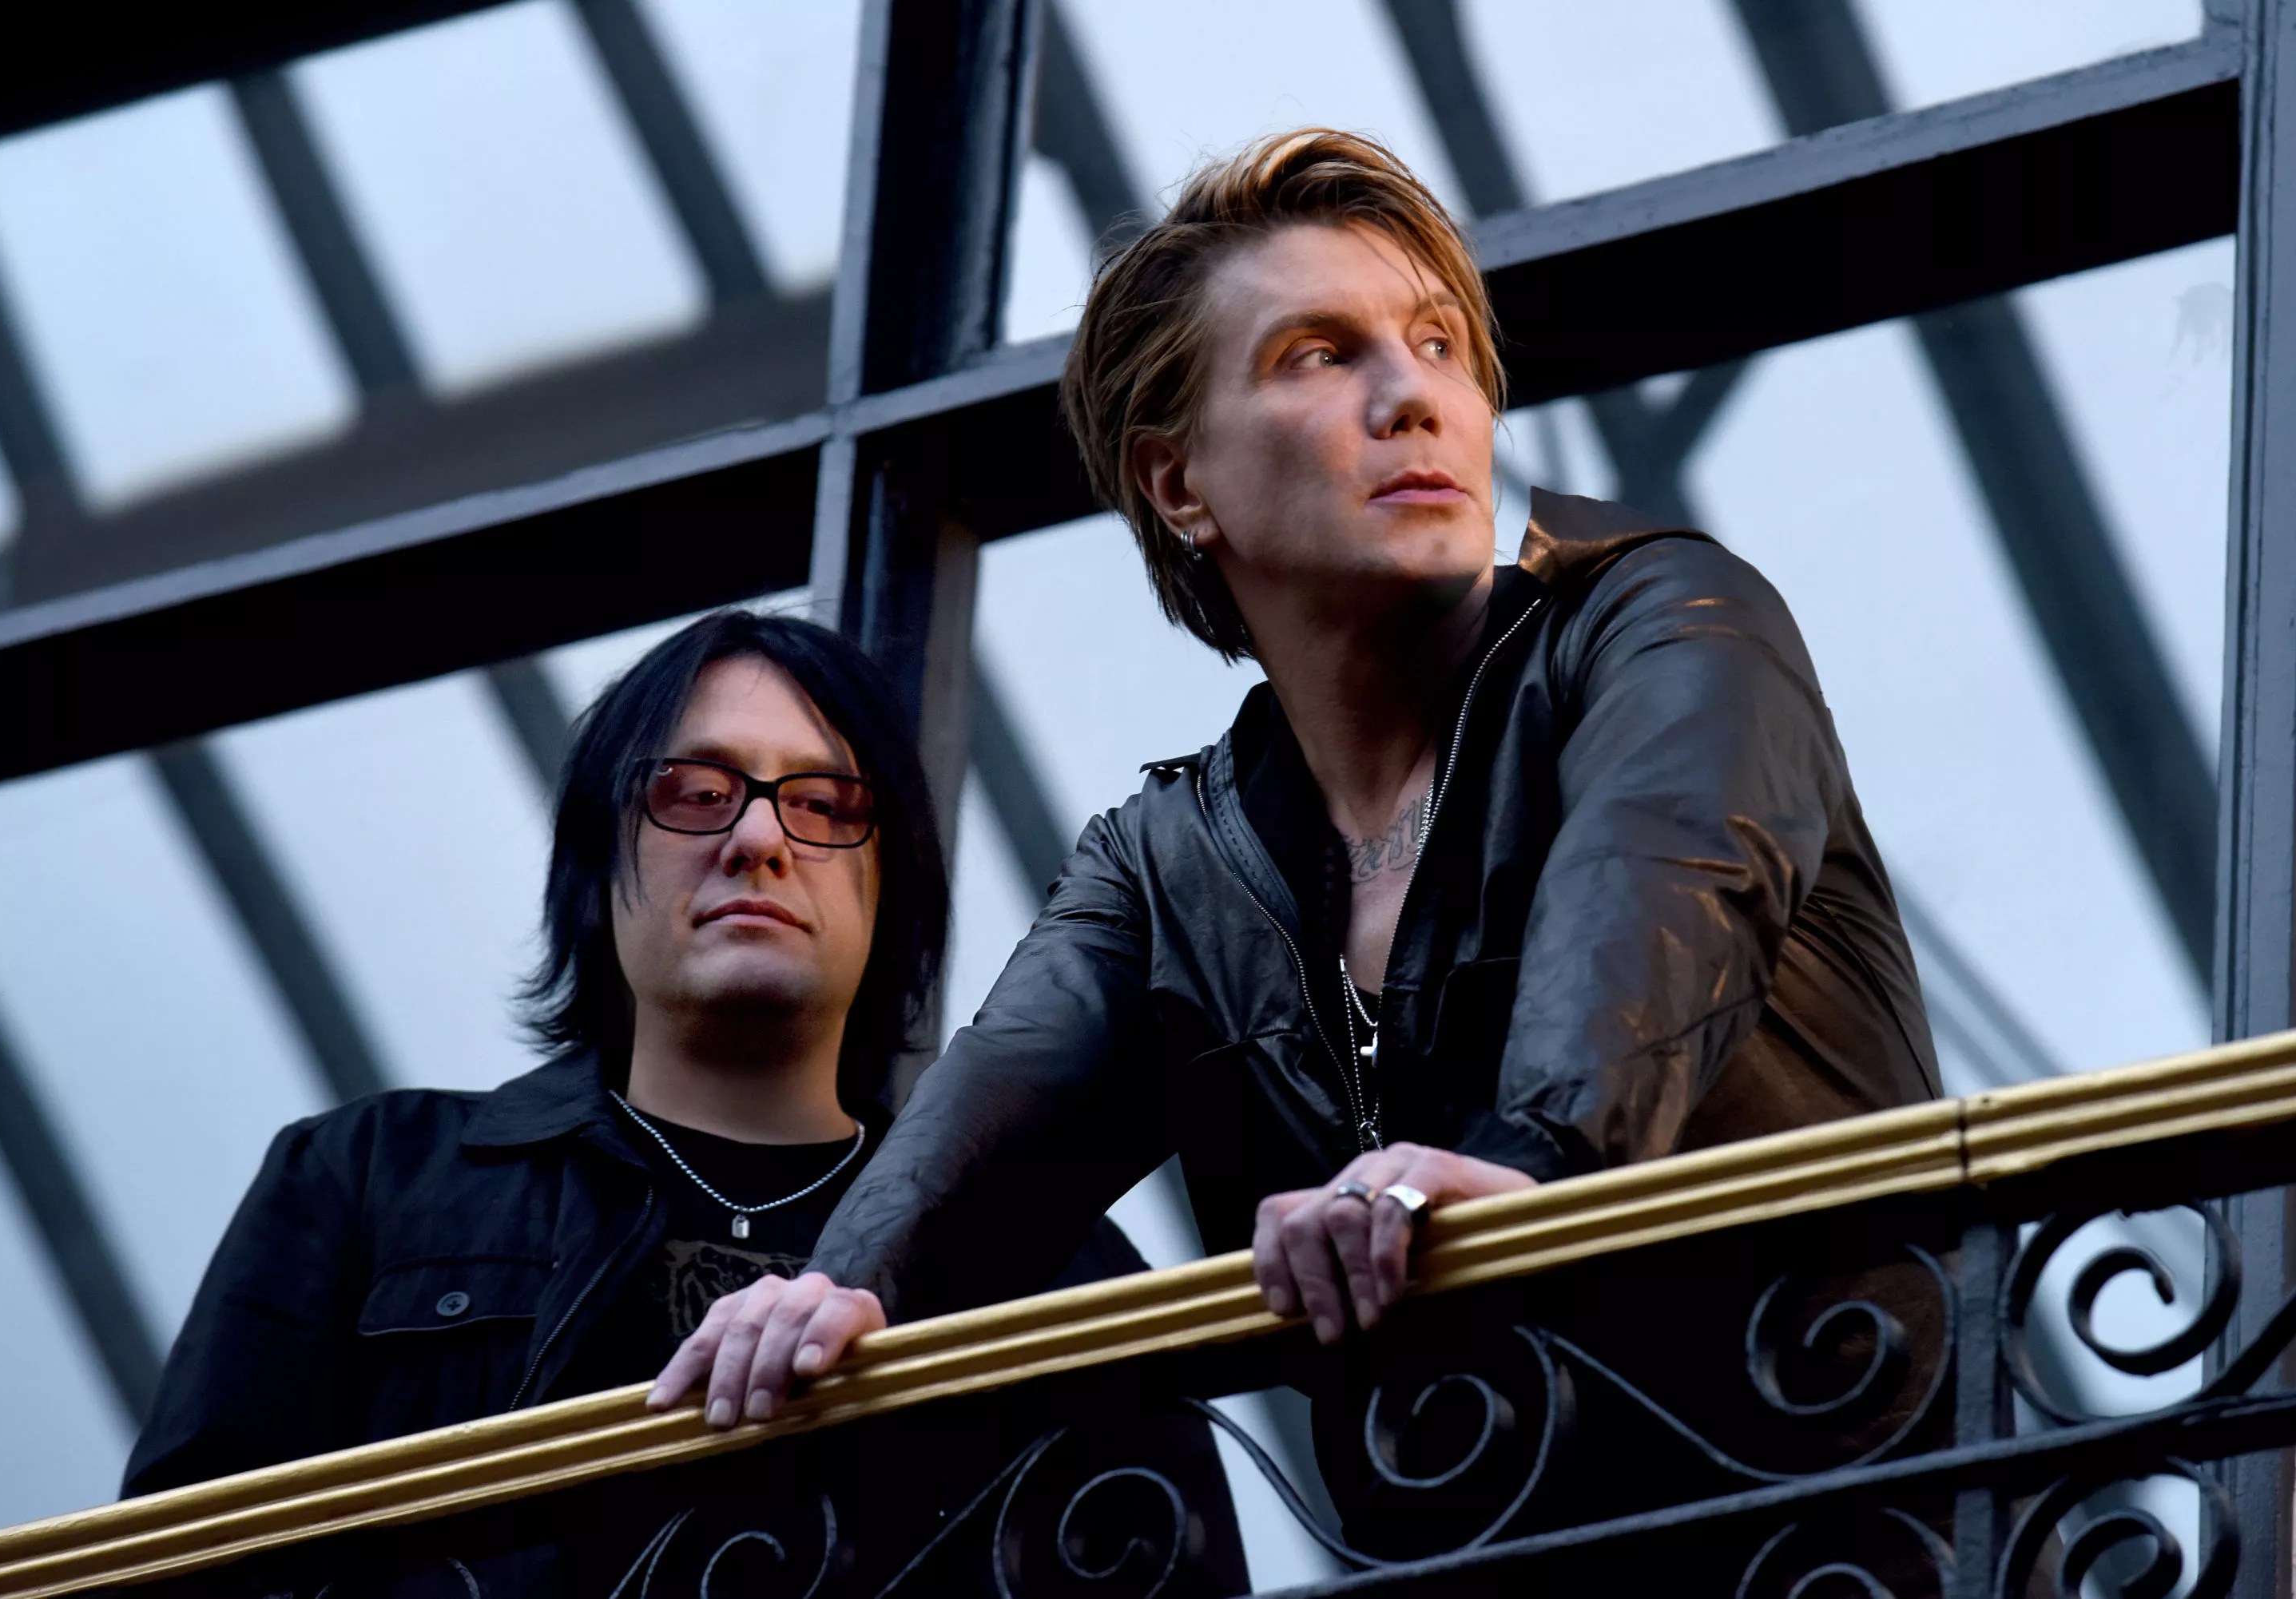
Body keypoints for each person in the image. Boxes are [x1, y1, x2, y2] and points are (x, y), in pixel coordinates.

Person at [654, 128, 1942, 1463]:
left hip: (1854, 1518)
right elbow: (981, 1137)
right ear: (1179, 483)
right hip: (1494, 1541)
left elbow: (1659, 884)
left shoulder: (1662, 623)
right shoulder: (1166, 865)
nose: (1414, 396)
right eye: (1319, 355)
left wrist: (1530, 1165)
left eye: (1439, 345)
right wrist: (832, 1290)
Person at [125, 610, 1244, 1593]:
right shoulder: (368, 1177)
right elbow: (172, 1563)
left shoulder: (1049, 1254)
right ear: (594, 868)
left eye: (824, 803)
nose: (759, 840)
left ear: (889, 887)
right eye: (697, 794)